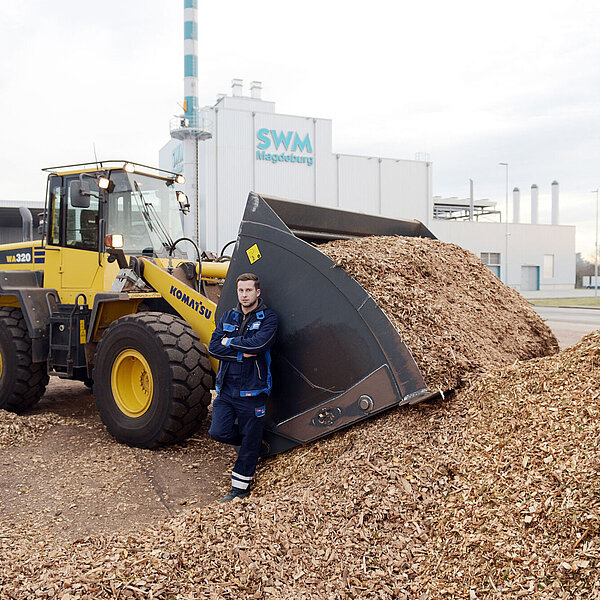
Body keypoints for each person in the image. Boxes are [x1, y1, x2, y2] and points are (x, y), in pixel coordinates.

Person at [208, 273, 278, 502]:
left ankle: (240, 488)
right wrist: (240, 354)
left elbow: (259, 345)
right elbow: (213, 347)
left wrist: (229, 343)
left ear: (257, 292)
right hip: (227, 389)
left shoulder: (268, 318)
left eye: (249, 290)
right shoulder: (229, 315)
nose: (244, 295)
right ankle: (254, 443)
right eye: (241, 291)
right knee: (218, 431)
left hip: (252, 390)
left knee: (249, 440)